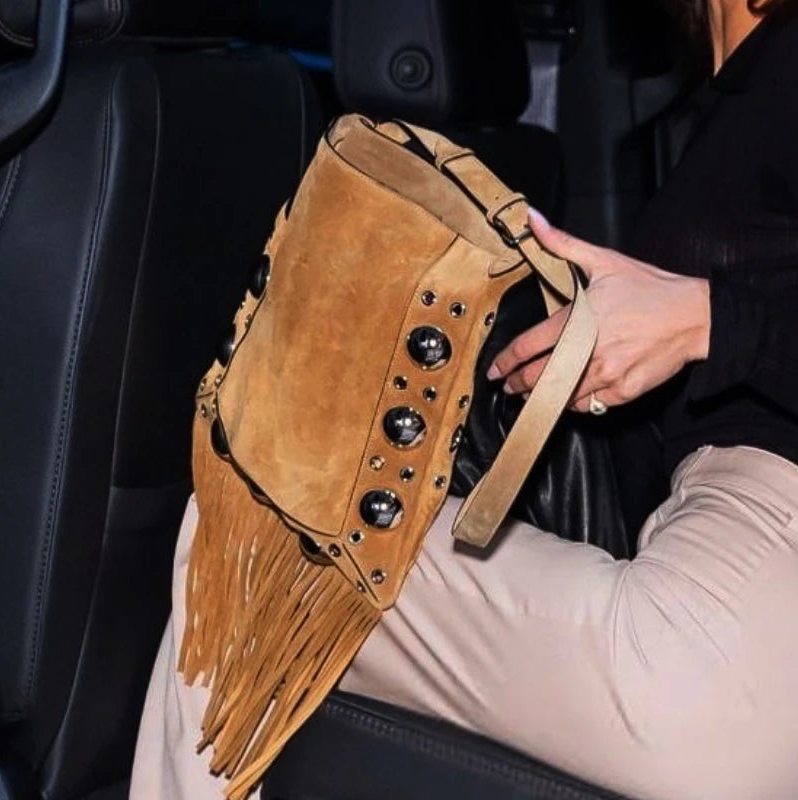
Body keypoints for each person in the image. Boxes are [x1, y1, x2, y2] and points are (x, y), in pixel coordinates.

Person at [130, 1, 798, 799]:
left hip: (750, 589)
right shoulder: (728, 99)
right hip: (709, 561)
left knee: (244, 543)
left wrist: (710, 318)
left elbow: (728, 328)